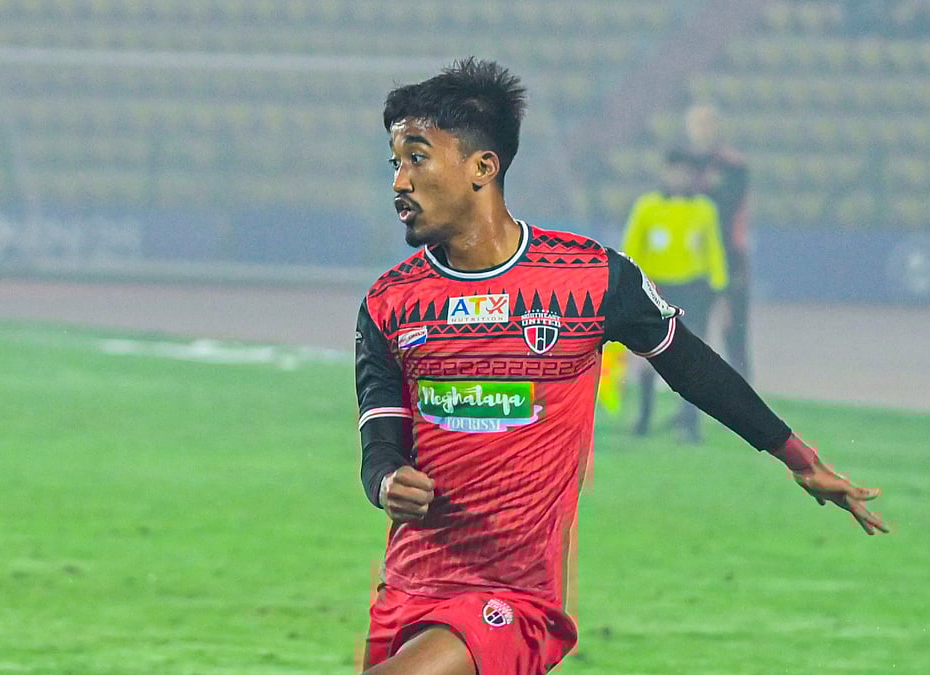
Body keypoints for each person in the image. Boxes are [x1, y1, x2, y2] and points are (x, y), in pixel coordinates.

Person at [354, 58, 887, 675]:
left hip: (511, 596)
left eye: (417, 158)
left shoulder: (591, 279)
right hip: (409, 589)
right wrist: (388, 481)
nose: (399, 181)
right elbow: (380, 441)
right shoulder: (389, 303)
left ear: (482, 167)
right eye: (395, 162)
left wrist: (801, 459)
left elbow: (691, 367)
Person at [621, 148, 728, 443]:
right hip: (656, 289)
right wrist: (630, 286)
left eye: (686, 172)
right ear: (666, 173)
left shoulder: (704, 209)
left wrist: (720, 289)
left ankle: (690, 423)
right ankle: (644, 418)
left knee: (691, 357)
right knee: (648, 353)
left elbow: (714, 251)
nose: (680, 177)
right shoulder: (648, 207)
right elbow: (632, 248)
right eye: (675, 171)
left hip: (693, 289)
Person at [684, 103, 752, 381]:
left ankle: (746, 396)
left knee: (733, 329)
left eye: (709, 122)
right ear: (689, 128)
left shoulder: (733, 166)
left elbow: (730, 204)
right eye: (698, 122)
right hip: (691, 260)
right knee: (690, 330)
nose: (704, 128)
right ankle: (691, 401)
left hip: (729, 255)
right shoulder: (682, 164)